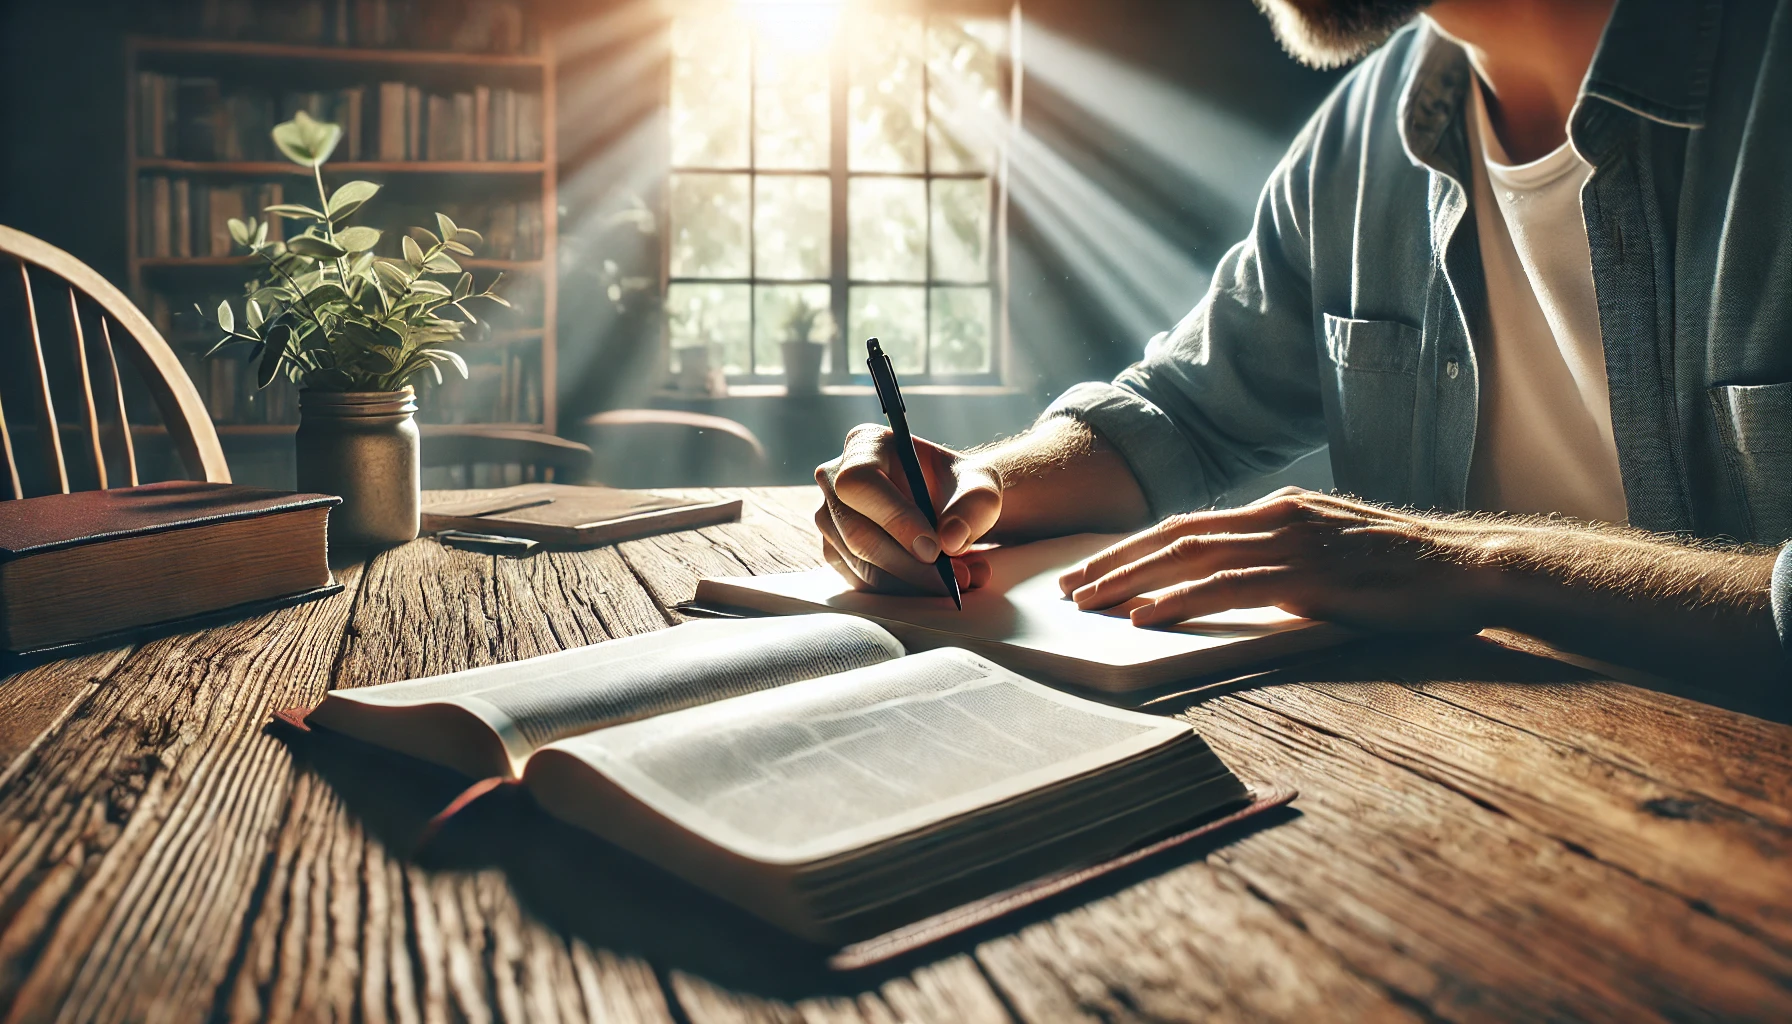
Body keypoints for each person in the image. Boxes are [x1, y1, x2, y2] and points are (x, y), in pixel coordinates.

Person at [814, 0, 1792, 704]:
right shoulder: (1361, 138)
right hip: (1470, 805)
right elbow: (1181, 417)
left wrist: (1474, 564)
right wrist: (964, 489)